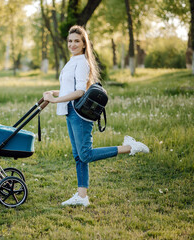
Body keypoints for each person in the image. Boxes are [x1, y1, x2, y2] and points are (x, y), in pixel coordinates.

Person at [43, 25, 149, 207]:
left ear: (84, 44)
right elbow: (71, 88)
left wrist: (55, 100)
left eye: (77, 41)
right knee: (78, 156)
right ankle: (82, 196)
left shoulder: (82, 62)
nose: (72, 44)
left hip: (79, 114)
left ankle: (129, 147)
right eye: (70, 41)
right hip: (70, 112)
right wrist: (53, 92)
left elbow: (78, 92)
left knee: (86, 154)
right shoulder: (71, 61)